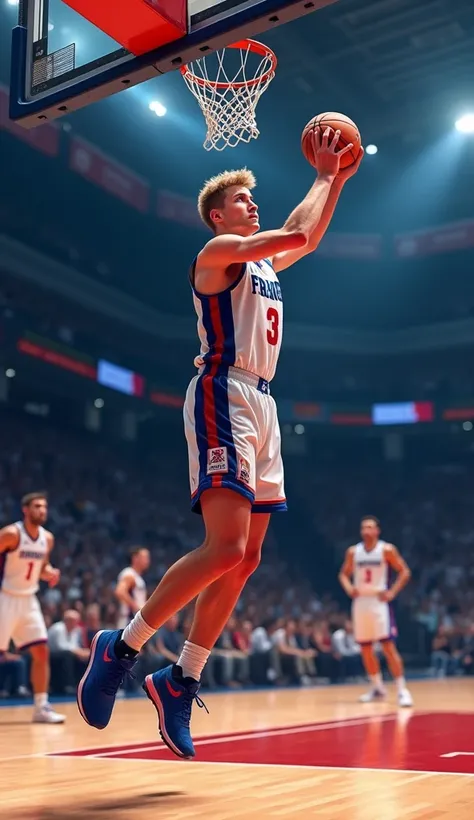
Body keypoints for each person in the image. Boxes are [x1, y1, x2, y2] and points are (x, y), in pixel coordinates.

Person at [77, 129, 364, 756]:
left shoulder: (261, 264)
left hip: (264, 401)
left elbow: (302, 235)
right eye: (241, 199)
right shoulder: (217, 254)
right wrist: (323, 170)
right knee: (224, 544)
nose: (251, 205)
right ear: (218, 215)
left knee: (248, 557)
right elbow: (296, 235)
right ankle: (120, 647)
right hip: (222, 392)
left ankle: (180, 678)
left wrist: (336, 177)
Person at [0, 492, 65, 722]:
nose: (42, 510)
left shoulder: (47, 538)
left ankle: (41, 707)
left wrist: (50, 573)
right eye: (37, 506)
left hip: (28, 599)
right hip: (5, 596)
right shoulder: (10, 534)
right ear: (25, 510)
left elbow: (42, 567)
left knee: (41, 651)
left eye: (45, 507)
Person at [338, 516, 413, 707]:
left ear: (378, 531)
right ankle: (377, 687)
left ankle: (402, 689)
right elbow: (343, 574)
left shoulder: (386, 550)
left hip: (379, 601)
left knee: (388, 647)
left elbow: (404, 571)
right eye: (363, 527)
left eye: (370, 527)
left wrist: (392, 592)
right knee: (366, 649)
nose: (366, 530)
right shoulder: (353, 552)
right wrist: (349, 589)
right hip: (360, 601)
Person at [114, 548, 150, 629]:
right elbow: (120, 592)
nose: (147, 561)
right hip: (128, 621)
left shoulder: (138, 577)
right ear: (135, 558)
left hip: (135, 621)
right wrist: (136, 607)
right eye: (145, 557)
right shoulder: (129, 574)